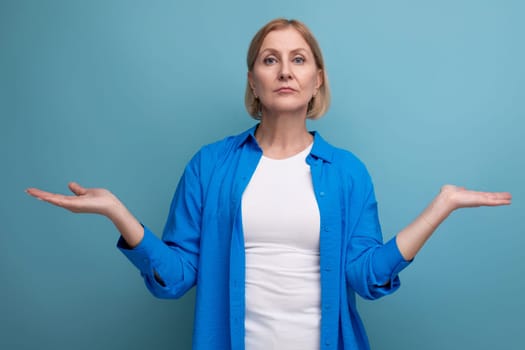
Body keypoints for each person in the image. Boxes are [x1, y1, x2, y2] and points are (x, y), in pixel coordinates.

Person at [26, 18, 511, 350]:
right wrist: (118, 212)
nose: (284, 70)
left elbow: (365, 277)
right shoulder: (210, 166)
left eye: (299, 59)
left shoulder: (346, 172)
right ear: (253, 80)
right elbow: (173, 279)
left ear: (317, 79)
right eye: (269, 59)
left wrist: (440, 207)